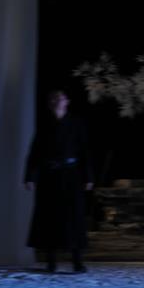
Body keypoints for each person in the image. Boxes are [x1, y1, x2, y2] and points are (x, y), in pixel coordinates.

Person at [24, 89, 94, 273]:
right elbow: (35, 152)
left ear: (67, 102)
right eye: (54, 98)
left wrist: (88, 176)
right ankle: (51, 262)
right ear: (50, 103)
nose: (57, 100)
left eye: (61, 98)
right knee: (49, 217)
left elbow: (84, 151)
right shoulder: (44, 125)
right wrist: (30, 177)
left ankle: (77, 261)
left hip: (71, 175)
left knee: (74, 217)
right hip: (49, 176)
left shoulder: (76, 123)